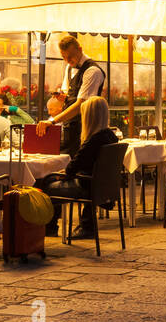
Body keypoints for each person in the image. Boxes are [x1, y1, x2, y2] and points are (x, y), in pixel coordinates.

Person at [37, 96, 118, 239]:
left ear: (88, 117)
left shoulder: (92, 141)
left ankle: (50, 227)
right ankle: (86, 224)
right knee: (51, 180)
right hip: (102, 187)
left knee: (45, 185)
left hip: (85, 185)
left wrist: (61, 173)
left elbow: (73, 168)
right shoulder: (111, 137)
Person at [46, 34, 106, 156]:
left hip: (85, 129)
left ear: (80, 49)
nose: (67, 61)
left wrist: (52, 121)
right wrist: (63, 97)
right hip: (69, 127)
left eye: (70, 56)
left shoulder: (92, 71)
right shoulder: (69, 67)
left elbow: (81, 105)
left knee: (75, 165)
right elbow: (68, 93)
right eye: (64, 57)